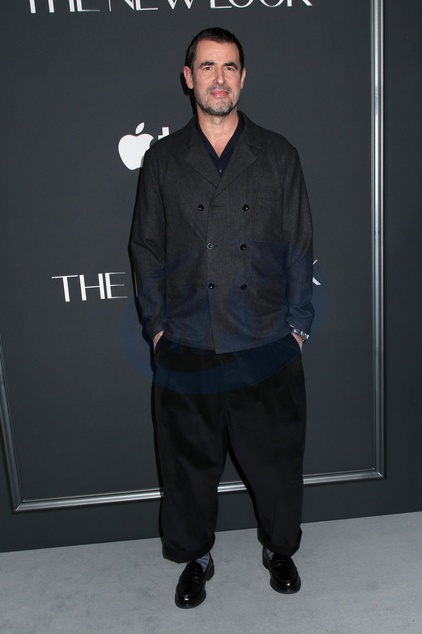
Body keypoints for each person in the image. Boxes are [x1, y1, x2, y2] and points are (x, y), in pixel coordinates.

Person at [130, 27, 314, 609]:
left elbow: (299, 246)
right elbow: (146, 249)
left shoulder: (278, 155)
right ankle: (196, 559)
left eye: (229, 67)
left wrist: (297, 327)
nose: (218, 78)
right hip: (188, 340)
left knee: (276, 463)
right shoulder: (163, 160)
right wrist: (157, 328)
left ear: (242, 78)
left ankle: (279, 549)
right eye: (207, 67)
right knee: (187, 468)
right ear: (189, 78)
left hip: (265, 340)